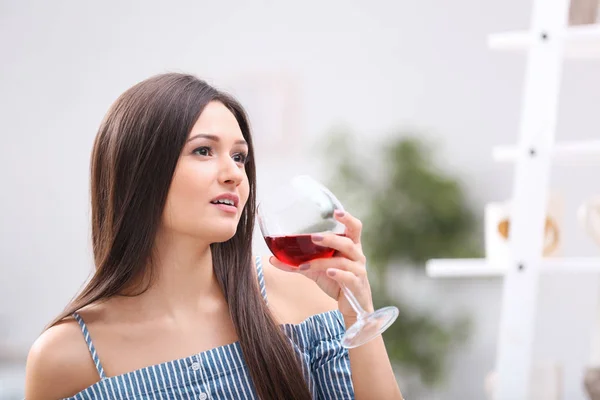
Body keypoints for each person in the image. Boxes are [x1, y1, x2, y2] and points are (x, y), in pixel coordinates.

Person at [23, 73, 403, 400]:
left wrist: (358, 312)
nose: (235, 174)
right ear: (139, 170)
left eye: (239, 157)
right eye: (203, 151)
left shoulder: (296, 294)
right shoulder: (65, 357)